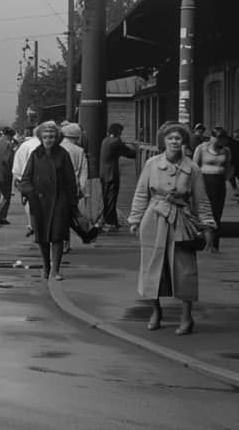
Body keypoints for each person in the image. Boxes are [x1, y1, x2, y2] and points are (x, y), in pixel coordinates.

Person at [128, 122, 216, 336]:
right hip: (154, 217)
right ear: (164, 142)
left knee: (184, 269)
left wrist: (207, 225)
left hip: (181, 220)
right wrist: (135, 219)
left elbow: (201, 199)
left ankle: (187, 317)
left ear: (183, 141)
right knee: (152, 267)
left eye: (178, 138)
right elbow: (141, 193)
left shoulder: (192, 168)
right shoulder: (151, 163)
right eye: (170, 138)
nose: (174, 142)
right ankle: (156, 311)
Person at [19, 121, 79, 280]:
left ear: (57, 137)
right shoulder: (35, 155)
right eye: (45, 136)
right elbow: (25, 179)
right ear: (40, 137)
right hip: (40, 202)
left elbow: (70, 180)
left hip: (60, 201)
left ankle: (56, 270)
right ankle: (46, 267)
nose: (48, 139)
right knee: (43, 237)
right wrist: (31, 194)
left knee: (58, 236)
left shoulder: (63, 154)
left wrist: (73, 202)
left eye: (52, 136)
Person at [191, 126, 232, 253]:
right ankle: (203, 242)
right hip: (205, 181)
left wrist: (225, 177)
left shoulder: (226, 150)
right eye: (219, 138)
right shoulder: (202, 148)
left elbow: (228, 166)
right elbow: (194, 166)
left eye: (223, 139)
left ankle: (214, 244)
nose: (221, 142)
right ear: (213, 137)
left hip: (219, 182)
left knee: (217, 212)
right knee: (204, 210)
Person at [99, 123, 136, 232]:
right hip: (111, 175)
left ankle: (110, 221)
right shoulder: (116, 142)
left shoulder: (105, 140)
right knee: (111, 199)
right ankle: (110, 223)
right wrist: (135, 146)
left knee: (106, 199)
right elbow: (131, 154)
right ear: (118, 132)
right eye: (121, 132)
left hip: (104, 174)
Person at [59, 122, 89, 253]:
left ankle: (58, 241)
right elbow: (84, 172)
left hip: (57, 187)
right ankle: (67, 242)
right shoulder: (79, 151)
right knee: (69, 216)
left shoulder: (56, 148)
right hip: (72, 188)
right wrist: (81, 190)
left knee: (58, 216)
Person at [13, 126, 40, 238]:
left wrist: (18, 178)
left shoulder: (25, 146)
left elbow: (17, 165)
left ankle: (32, 225)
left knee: (29, 203)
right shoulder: (50, 145)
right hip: (45, 180)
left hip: (26, 179)